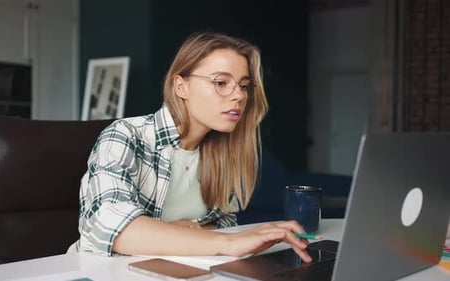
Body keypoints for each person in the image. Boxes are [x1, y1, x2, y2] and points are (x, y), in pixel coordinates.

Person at [72, 31, 312, 262]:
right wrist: (226, 243)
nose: (238, 95)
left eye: (243, 85)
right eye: (221, 82)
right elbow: (115, 229)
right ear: (181, 86)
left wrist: (180, 233)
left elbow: (224, 223)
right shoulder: (125, 135)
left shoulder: (221, 152)